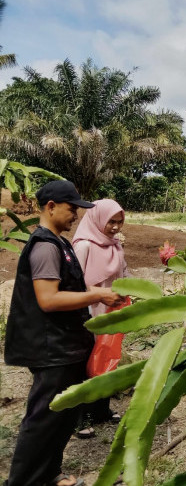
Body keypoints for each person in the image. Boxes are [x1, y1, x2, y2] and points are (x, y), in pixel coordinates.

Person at [3, 180, 123, 486]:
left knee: (61, 416)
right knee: (44, 418)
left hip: (65, 344)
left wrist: (100, 293)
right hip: (50, 347)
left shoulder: (61, 243)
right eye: (71, 209)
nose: (75, 215)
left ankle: (49, 474)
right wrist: (97, 295)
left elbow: (70, 287)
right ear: (51, 207)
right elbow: (49, 299)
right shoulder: (44, 246)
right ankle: (23, 481)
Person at [72, 199, 128, 438]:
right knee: (84, 362)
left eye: (119, 222)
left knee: (106, 359)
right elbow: (73, 285)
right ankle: (80, 417)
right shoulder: (83, 246)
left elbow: (123, 273)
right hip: (88, 311)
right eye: (111, 222)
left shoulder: (115, 245)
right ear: (97, 220)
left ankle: (101, 410)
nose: (115, 227)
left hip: (110, 311)